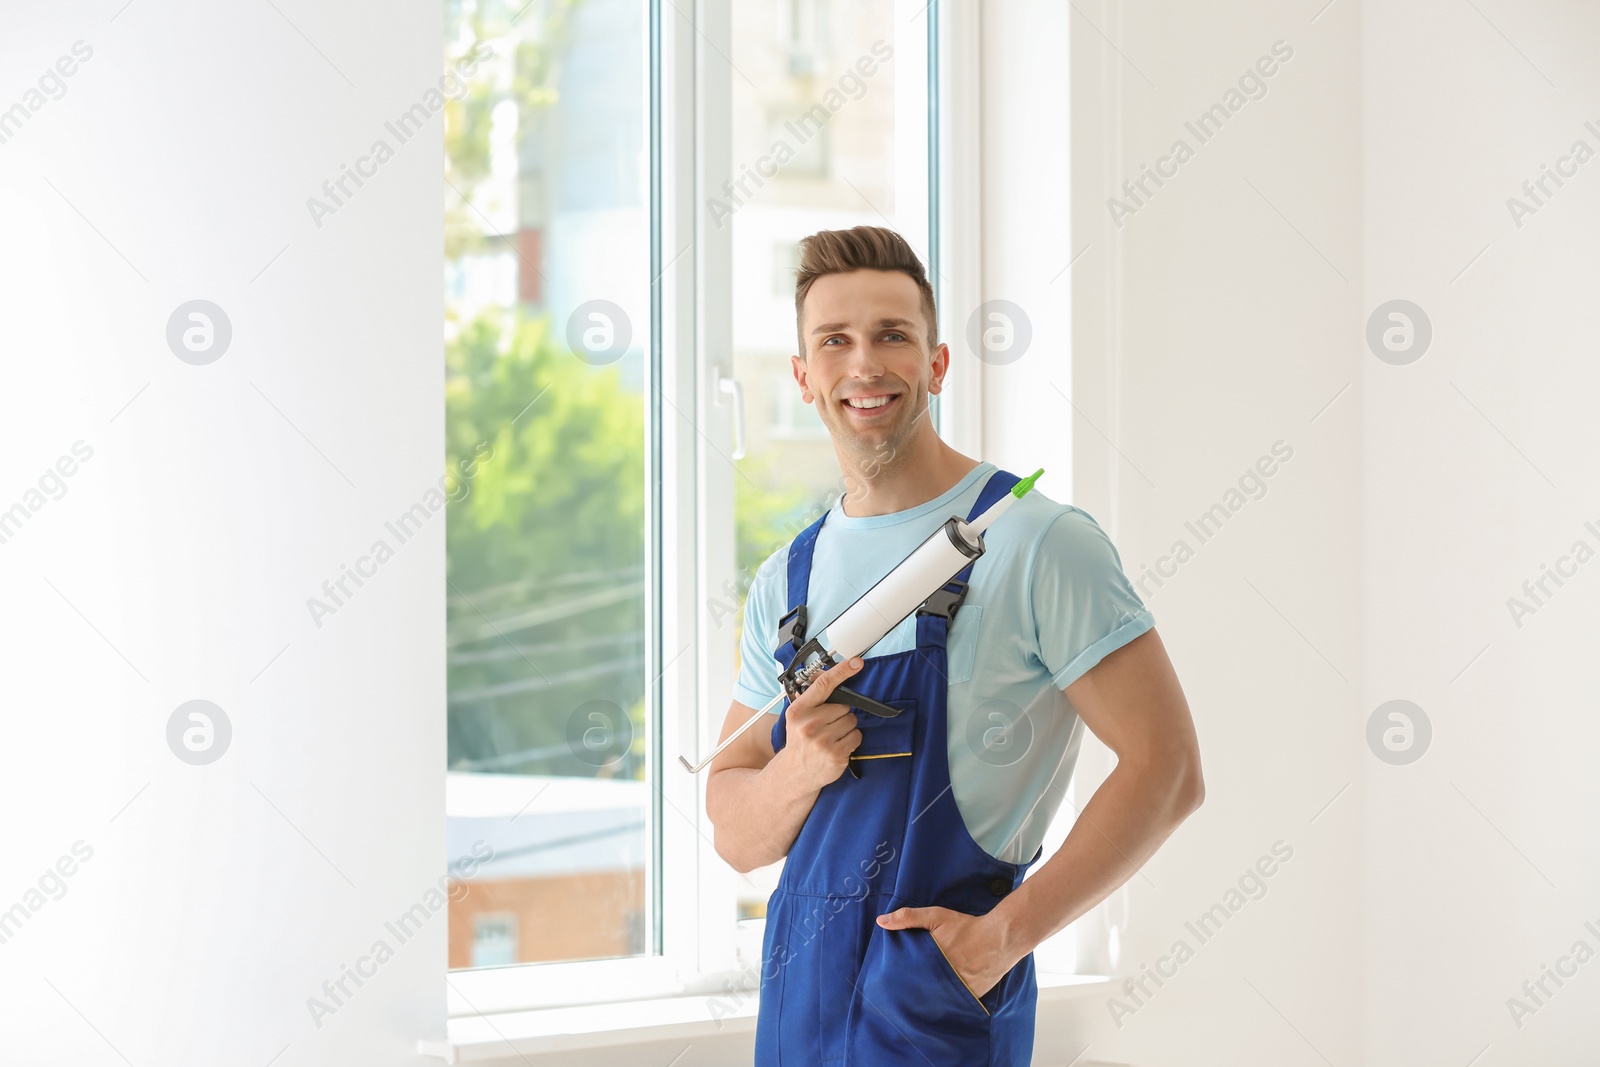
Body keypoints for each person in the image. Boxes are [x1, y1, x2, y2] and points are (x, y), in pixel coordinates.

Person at [706, 225, 1204, 1065]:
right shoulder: (784, 581)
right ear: (803, 376)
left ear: (936, 364)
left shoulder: (1033, 541)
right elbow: (734, 830)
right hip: (800, 1005)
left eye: (892, 336)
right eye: (835, 340)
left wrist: (1000, 939)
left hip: (935, 999)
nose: (864, 365)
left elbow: (1169, 770)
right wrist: (795, 767)